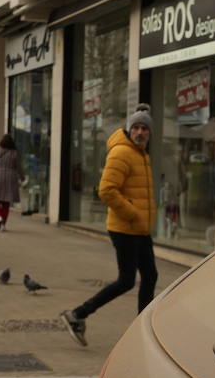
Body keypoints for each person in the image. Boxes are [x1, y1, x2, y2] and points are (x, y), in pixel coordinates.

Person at [62, 104, 157, 347]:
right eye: (135, 127)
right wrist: (133, 212)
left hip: (139, 228)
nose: (139, 132)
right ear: (129, 129)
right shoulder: (122, 153)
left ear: (150, 132)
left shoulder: (141, 154)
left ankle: (141, 330)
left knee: (150, 275)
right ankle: (78, 314)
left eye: (144, 128)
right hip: (125, 228)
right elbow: (106, 191)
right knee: (126, 280)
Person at [0, 133, 25, 231]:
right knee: (6, 203)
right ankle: (3, 225)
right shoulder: (14, 153)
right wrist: (22, 178)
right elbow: (19, 168)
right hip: (10, 179)